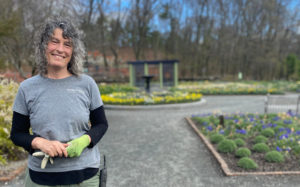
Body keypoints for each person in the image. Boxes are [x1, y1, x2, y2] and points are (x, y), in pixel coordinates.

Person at [10, 17, 108, 186]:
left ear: (73, 52)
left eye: (67, 44)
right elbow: (17, 134)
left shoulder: (87, 84)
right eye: (54, 42)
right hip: (41, 178)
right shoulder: (27, 88)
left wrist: (84, 141)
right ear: (43, 46)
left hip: (85, 177)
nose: (60, 49)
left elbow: (101, 124)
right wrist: (39, 142)